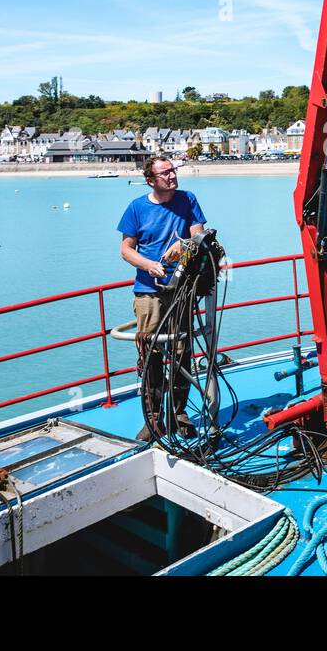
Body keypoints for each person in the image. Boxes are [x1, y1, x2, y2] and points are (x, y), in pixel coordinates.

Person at [118, 155, 206, 440]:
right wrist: (148, 264)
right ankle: (154, 418)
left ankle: (178, 412)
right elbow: (126, 249)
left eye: (173, 170)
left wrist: (183, 247)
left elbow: (199, 235)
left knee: (182, 352)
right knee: (151, 354)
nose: (172, 176)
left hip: (181, 290)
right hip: (148, 291)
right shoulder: (136, 208)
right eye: (165, 173)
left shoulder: (187, 200)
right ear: (151, 180)